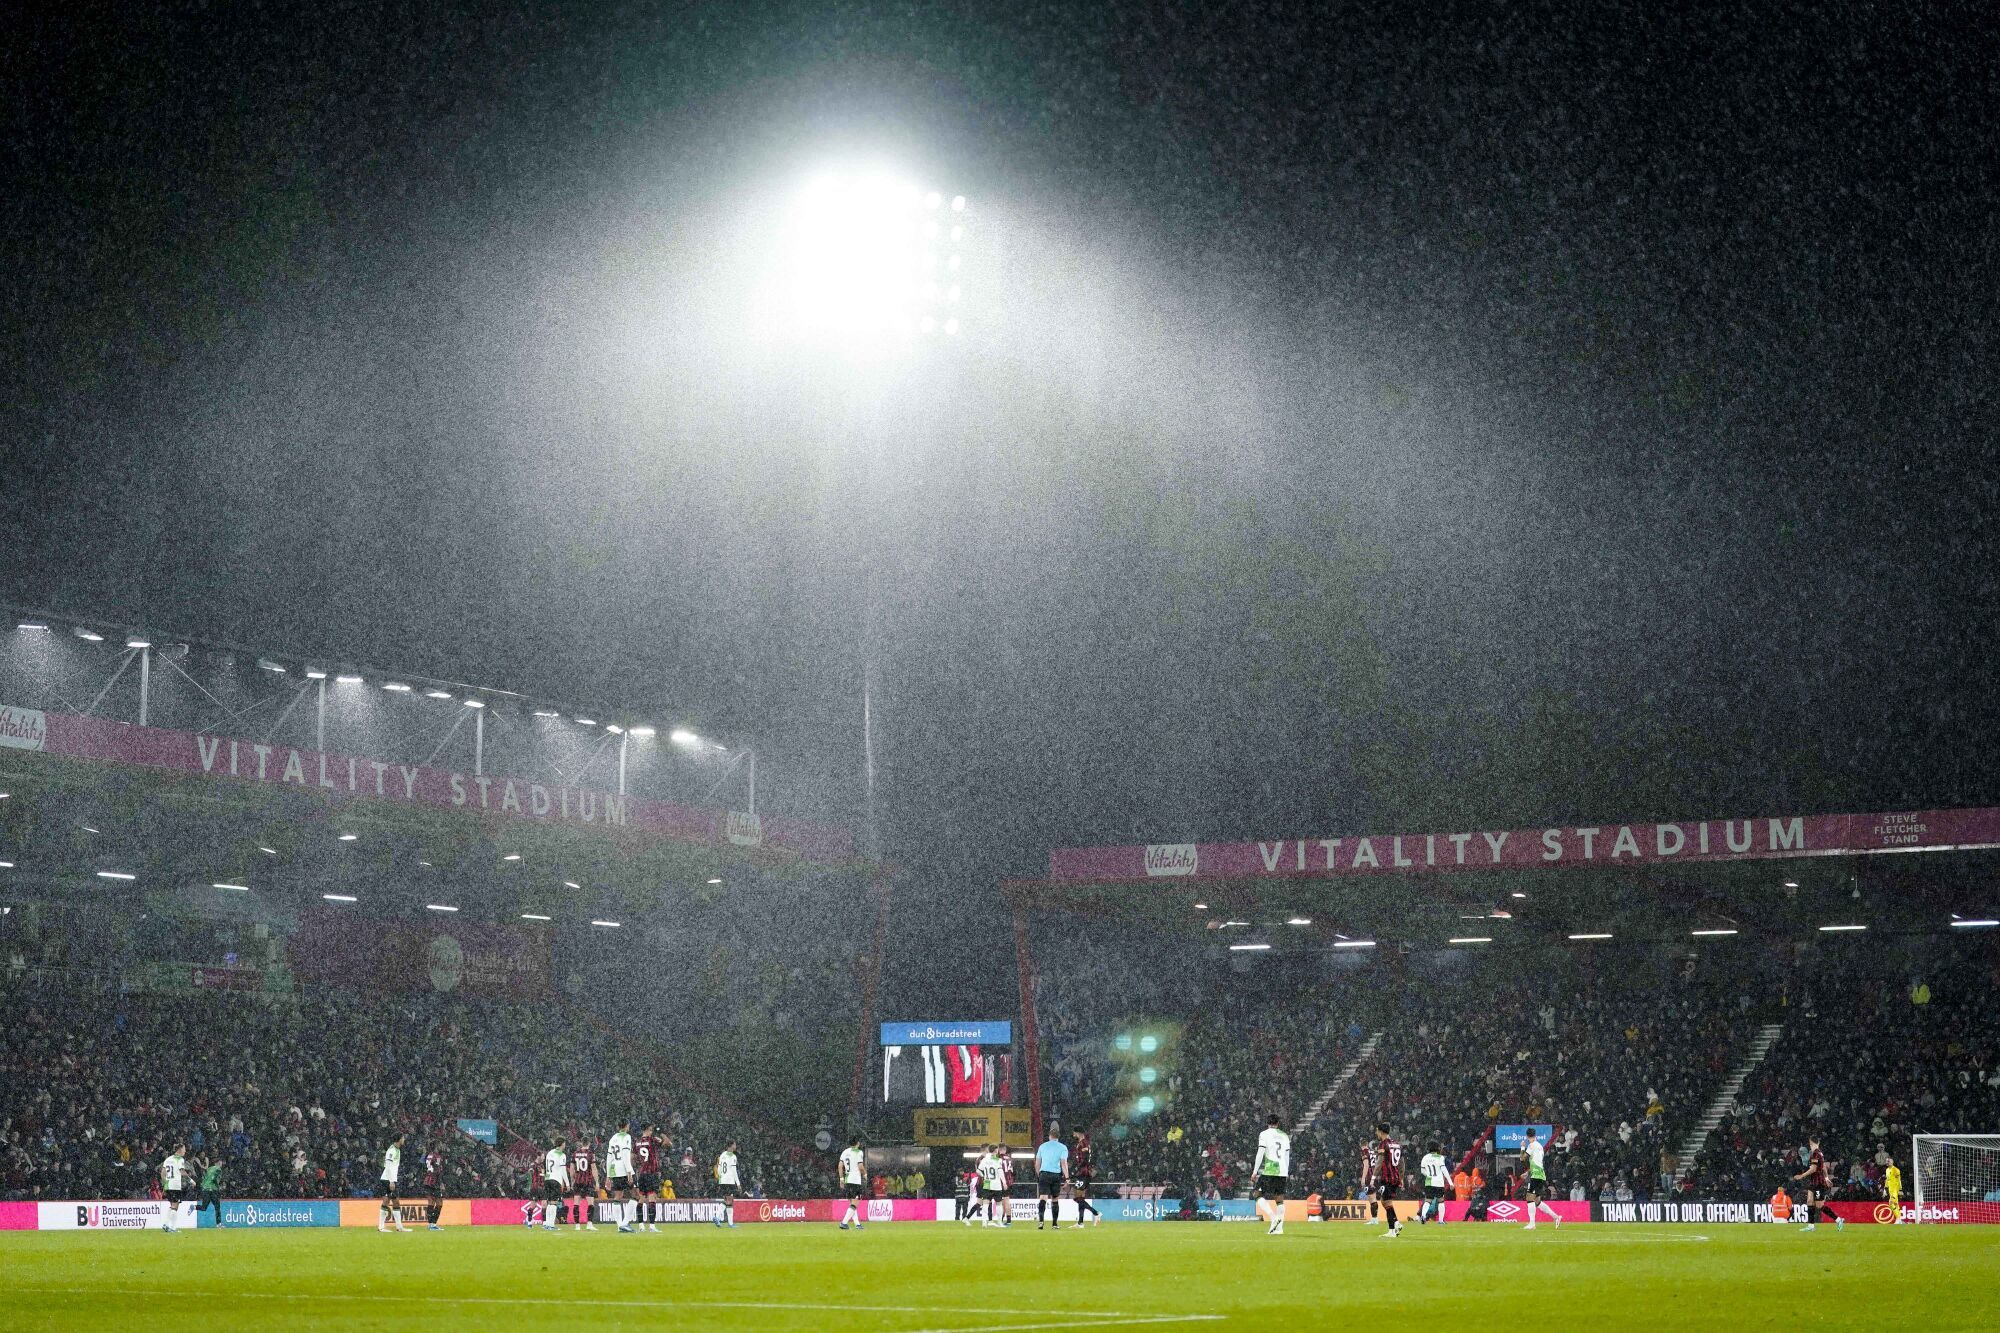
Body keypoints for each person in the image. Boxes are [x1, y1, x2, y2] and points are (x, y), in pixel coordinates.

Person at [1790, 1136, 1842, 1232]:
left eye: (1810, 1143)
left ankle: (1838, 1220)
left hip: (1818, 1183)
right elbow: (1824, 1167)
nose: (1809, 1145)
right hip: (1813, 1182)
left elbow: (1813, 1169)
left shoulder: (1816, 1153)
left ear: (1812, 1143)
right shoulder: (1819, 1153)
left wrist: (1801, 1176)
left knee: (1819, 1205)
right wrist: (1827, 1178)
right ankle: (1811, 1226)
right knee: (1809, 1201)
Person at [1254, 1115, 1291, 1235]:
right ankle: (1279, 1229)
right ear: (1278, 1123)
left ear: (1267, 1123)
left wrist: (1255, 1171)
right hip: (1282, 1170)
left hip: (1271, 1169)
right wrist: (1286, 1171)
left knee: (1257, 1194)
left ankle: (1273, 1218)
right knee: (1279, 1199)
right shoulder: (1284, 1135)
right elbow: (1286, 1156)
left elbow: (1261, 1153)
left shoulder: (1264, 1134)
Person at [1519, 1128, 1561, 1231]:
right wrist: (1529, 1172)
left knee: (1529, 1197)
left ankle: (1532, 1224)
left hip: (1536, 1175)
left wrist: (1522, 1147)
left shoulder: (1531, 1145)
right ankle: (1556, 1217)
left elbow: (1522, 1158)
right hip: (1540, 1174)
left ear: (1527, 1136)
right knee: (1537, 1201)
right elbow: (1537, 1161)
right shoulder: (1540, 1146)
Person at [1371, 1123, 1404, 1238]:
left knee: (1386, 1202)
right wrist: (1401, 1178)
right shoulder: (1396, 1144)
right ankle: (1395, 1224)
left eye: (1377, 1131)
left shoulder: (1383, 1144)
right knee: (1385, 1202)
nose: (1376, 1133)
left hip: (1387, 1178)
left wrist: (1373, 1178)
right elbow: (1401, 1162)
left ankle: (1393, 1229)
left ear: (1381, 1132)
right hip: (1395, 1178)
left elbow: (1379, 1162)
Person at [1035, 1130, 1070, 1229]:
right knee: (1055, 1199)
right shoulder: (1063, 1147)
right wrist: (1067, 1177)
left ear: (1049, 1136)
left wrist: (1039, 1174)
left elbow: (1037, 1163)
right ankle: (1054, 1224)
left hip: (1044, 1173)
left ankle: (1041, 1222)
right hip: (1056, 1175)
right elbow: (1064, 1163)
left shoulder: (1042, 1146)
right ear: (1058, 1137)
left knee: (1043, 1197)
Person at [606, 1121, 636, 1233]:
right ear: (627, 1126)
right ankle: (624, 1223)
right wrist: (629, 1171)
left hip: (614, 1170)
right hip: (624, 1169)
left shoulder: (613, 1138)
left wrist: (608, 1175)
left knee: (617, 1196)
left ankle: (619, 1226)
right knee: (636, 1195)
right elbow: (625, 1154)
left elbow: (609, 1157)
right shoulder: (627, 1137)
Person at [634, 1123, 665, 1232]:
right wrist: (662, 1134)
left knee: (641, 1198)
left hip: (642, 1173)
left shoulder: (637, 1142)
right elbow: (667, 1143)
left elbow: (632, 1157)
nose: (652, 1132)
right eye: (651, 1130)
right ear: (648, 1129)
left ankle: (641, 1225)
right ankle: (652, 1226)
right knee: (652, 1198)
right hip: (651, 1173)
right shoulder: (652, 1140)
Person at [379, 1133, 410, 1233]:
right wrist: (391, 1181)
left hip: (391, 1179)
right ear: (399, 1139)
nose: (404, 1139)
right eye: (403, 1138)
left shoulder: (397, 1150)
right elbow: (387, 1166)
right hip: (387, 1179)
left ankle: (399, 1227)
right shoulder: (391, 1150)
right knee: (387, 1201)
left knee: (395, 1201)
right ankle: (381, 1227)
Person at [569, 1133, 598, 1230]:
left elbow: (572, 1169)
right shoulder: (590, 1154)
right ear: (589, 1143)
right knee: (591, 1203)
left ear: (581, 1143)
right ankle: (589, 1224)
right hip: (588, 1181)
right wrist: (597, 1182)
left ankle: (577, 1226)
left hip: (578, 1181)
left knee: (576, 1203)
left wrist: (573, 1180)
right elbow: (593, 1168)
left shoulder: (575, 1153)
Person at [1071, 1132, 1101, 1226]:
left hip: (1083, 1173)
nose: (1073, 1134)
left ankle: (1096, 1213)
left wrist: (1076, 1169)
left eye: (1074, 1133)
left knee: (1077, 1197)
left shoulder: (1084, 1143)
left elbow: (1085, 1159)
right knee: (1080, 1198)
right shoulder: (1082, 1143)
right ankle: (1080, 1222)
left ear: (1078, 1133)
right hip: (1082, 1173)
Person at [540, 1136, 570, 1232]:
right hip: (555, 1180)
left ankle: (547, 1223)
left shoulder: (550, 1153)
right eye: (564, 1143)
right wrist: (567, 1183)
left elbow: (545, 1166)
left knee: (549, 1203)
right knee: (554, 1203)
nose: (565, 1145)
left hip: (547, 1179)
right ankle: (551, 1225)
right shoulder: (562, 1155)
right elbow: (563, 1170)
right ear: (562, 1144)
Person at [837, 1137, 868, 1230]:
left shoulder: (845, 1152)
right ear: (857, 1143)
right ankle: (844, 1223)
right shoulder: (859, 1152)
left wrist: (841, 1178)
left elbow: (840, 1166)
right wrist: (865, 1174)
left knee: (852, 1204)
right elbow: (860, 1166)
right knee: (855, 1203)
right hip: (855, 1180)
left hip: (847, 1180)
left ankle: (857, 1224)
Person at [159, 1143, 190, 1234]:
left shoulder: (168, 1159)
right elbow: (182, 1171)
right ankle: (169, 1225)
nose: (185, 1151)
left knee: (173, 1205)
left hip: (169, 1185)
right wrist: (191, 1180)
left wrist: (165, 1184)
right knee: (175, 1206)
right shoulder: (180, 1159)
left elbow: (162, 1173)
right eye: (184, 1149)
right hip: (175, 1185)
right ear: (179, 1149)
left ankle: (169, 1225)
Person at [977, 1144, 1009, 1228]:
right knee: (998, 1203)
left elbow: (978, 1171)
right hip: (996, 1184)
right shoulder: (998, 1160)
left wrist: (984, 1176)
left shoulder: (984, 1159)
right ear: (995, 1150)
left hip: (987, 1183)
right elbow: (1000, 1172)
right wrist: (1004, 1182)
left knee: (985, 1203)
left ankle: (984, 1222)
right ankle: (999, 1222)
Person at [1418, 1142, 1450, 1225]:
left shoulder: (1425, 1157)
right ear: (1437, 1148)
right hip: (1439, 1182)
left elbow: (1422, 1171)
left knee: (1428, 1200)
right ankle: (1440, 1220)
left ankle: (1423, 1216)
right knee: (1441, 1200)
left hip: (1429, 1182)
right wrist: (1450, 1182)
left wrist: (1428, 1175)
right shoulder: (1440, 1157)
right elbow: (1444, 1170)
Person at [713, 1141, 741, 1228]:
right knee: (729, 1201)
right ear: (732, 1146)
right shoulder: (733, 1156)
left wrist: (720, 1179)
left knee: (728, 1201)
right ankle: (717, 1216)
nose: (735, 1146)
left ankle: (730, 1223)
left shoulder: (722, 1154)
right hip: (729, 1181)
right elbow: (734, 1171)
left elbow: (719, 1168)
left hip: (723, 1181)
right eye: (735, 1144)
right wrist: (738, 1183)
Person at [197, 1154, 225, 1229]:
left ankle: (193, 1207)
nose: (221, 1163)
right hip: (212, 1189)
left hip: (205, 1189)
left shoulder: (209, 1169)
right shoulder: (218, 1169)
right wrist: (218, 1187)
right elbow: (214, 1179)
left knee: (203, 1207)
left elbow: (205, 1179)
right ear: (219, 1162)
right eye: (221, 1162)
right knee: (217, 1206)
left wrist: (203, 1187)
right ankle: (218, 1224)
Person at [421, 1146, 445, 1230]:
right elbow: (435, 1170)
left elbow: (426, 1166)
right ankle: (432, 1224)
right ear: (436, 1147)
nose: (443, 1146)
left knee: (434, 1202)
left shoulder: (432, 1155)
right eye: (441, 1144)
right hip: (433, 1181)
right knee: (437, 1203)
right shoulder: (435, 1156)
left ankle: (431, 1224)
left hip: (430, 1181)